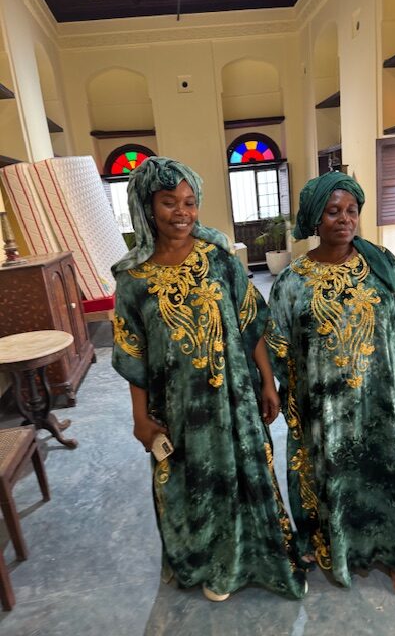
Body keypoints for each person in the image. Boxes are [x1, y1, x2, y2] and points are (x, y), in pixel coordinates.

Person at [111, 156, 306, 602]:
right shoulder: (132, 278)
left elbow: (250, 323)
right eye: (169, 202)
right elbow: (133, 354)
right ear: (147, 206)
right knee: (191, 483)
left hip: (234, 399)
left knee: (244, 475)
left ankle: (252, 558)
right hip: (177, 407)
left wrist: (267, 382)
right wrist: (140, 419)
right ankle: (206, 561)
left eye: (190, 201)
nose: (182, 212)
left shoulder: (218, 257)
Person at [266, 171, 395, 596]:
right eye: (333, 211)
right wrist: (279, 395)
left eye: (351, 210)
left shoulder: (385, 268)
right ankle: (335, 546)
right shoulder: (292, 282)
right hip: (327, 415)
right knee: (334, 480)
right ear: (315, 218)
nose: (344, 219)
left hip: (383, 406)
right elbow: (278, 349)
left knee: (391, 478)